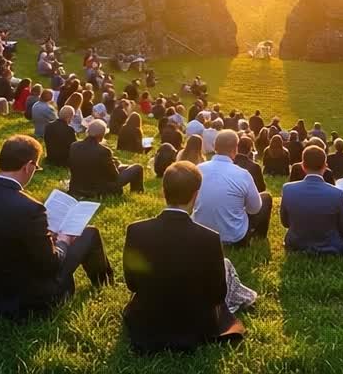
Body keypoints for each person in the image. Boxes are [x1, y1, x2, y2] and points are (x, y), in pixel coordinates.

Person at [0, 135, 113, 318]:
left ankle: (104, 284)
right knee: (90, 233)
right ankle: (105, 285)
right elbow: (52, 264)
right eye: (36, 168)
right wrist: (63, 241)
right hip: (24, 301)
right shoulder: (30, 208)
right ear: (28, 166)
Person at [122, 161, 246, 352]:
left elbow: (132, 284)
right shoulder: (209, 238)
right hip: (195, 325)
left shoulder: (136, 230)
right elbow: (217, 294)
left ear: (163, 191)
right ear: (196, 195)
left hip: (148, 321)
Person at [195, 130, 272, 246]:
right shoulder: (243, 174)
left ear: (215, 146)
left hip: (200, 234)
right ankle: (259, 236)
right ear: (235, 149)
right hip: (234, 238)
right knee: (266, 198)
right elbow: (255, 209)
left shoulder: (197, 169)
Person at [280, 145, 343, 254]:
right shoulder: (337, 194)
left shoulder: (288, 189)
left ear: (303, 166)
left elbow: (285, 223)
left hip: (296, 244)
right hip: (330, 246)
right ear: (325, 166)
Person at [68, 120, 145, 197]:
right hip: (98, 190)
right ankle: (137, 194)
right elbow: (114, 176)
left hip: (77, 188)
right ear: (102, 136)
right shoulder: (104, 151)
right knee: (137, 168)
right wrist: (117, 166)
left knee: (123, 167)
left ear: (87, 131)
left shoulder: (74, 146)